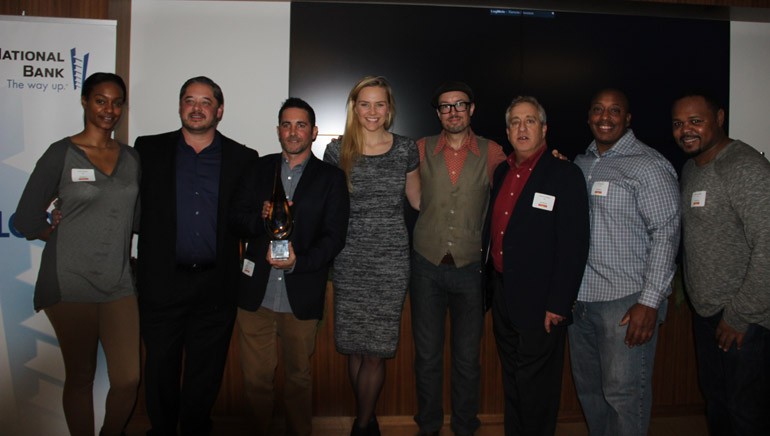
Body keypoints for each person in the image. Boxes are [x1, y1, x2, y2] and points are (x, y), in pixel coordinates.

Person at [14, 72, 140, 436]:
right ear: (85, 102)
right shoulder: (61, 153)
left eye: (117, 102)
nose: (109, 109)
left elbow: (139, 217)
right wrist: (48, 227)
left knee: (128, 378)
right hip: (69, 283)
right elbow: (24, 218)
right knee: (81, 376)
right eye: (101, 100)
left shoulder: (131, 158)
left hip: (118, 285)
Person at [134, 76, 259, 436]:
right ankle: (161, 429)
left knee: (206, 372)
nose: (197, 107)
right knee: (160, 368)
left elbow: (245, 218)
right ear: (179, 107)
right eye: (189, 100)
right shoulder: (148, 150)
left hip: (215, 286)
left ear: (219, 110)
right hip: (162, 282)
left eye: (206, 101)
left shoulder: (242, 157)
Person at [229, 97, 349, 435]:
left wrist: (300, 262)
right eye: (286, 124)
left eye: (300, 125)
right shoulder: (257, 169)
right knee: (255, 381)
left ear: (314, 132)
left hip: (301, 293)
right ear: (278, 130)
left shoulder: (331, 179)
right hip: (256, 296)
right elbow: (234, 220)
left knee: (298, 380)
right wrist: (260, 217)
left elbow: (334, 237)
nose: (292, 131)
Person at [570, 88, 680, 436]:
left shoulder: (649, 165)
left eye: (614, 111)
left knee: (624, 395)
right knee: (590, 392)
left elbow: (666, 234)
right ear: (588, 117)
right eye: (598, 110)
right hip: (581, 301)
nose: (605, 117)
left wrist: (649, 302)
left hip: (626, 302)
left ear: (628, 118)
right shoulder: (581, 163)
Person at [483, 96, 589, 435]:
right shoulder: (501, 171)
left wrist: (559, 302)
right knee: (514, 379)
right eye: (515, 122)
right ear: (507, 131)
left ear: (544, 128)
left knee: (538, 387)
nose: (522, 128)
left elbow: (574, 245)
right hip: (503, 294)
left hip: (542, 302)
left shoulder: (564, 174)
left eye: (530, 121)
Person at [323, 76, 420, 435]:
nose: (372, 111)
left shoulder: (406, 149)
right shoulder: (337, 151)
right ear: (354, 107)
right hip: (349, 259)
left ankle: (362, 424)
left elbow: (419, 201)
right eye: (365, 103)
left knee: (376, 350)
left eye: (380, 104)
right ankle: (366, 413)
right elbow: (327, 207)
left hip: (391, 260)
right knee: (354, 348)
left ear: (389, 108)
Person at [410, 81, 506, 436]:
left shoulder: (492, 151)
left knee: (468, 360)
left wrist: (553, 161)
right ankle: (429, 425)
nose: (453, 111)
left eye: (460, 105)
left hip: (469, 270)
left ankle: (466, 426)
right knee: (427, 357)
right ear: (438, 113)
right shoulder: (420, 149)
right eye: (446, 106)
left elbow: (520, 181)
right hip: (425, 266)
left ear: (472, 109)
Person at [672, 92, 770, 435]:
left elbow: (768, 247)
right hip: (709, 315)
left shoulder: (744, 167)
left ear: (719, 118)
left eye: (696, 121)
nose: (687, 130)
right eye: (679, 124)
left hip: (746, 321)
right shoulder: (691, 168)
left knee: (746, 413)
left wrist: (739, 316)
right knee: (718, 403)